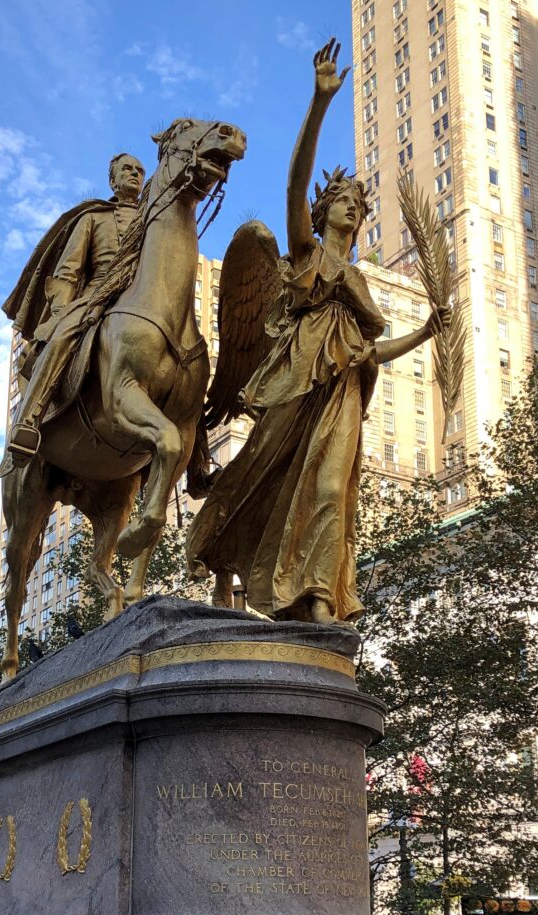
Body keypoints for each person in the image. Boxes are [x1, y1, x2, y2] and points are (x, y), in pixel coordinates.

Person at [186, 39, 450, 623]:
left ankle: (321, 600)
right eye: (344, 201)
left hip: (341, 397)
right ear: (324, 208)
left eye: (360, 204)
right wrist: (319, 102)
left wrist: (428, 332)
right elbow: (292, 184)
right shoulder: (305, 258)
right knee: (257, 474)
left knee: (333, 493)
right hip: (293, 390)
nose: (354, 209)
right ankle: (223, 559)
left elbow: (368, 350)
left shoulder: (355, 282)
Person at [0, 152, 146, 472]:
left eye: (140, 170)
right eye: (127, 169)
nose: (134, 174)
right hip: (96, 297)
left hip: (142, 299)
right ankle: (29, 419)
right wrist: (61, 310)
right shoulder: (93, 218)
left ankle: (197, 457)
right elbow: (68, 272)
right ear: (112, 180)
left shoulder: (155, 218)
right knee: (64, 335)